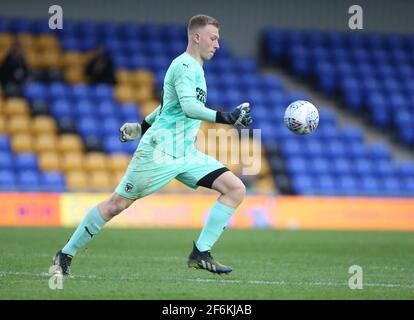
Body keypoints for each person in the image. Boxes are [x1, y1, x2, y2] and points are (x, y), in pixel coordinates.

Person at [53, 14, 252, 276]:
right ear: (197, 36)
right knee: (117, 204)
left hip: (185, 153)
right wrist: (226, 117)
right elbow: (190, 108)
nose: (217, 44)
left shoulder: (196, 69)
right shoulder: (184, 66)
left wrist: (140, 126)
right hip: (160, 151)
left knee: (235, 188)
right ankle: (65, 254)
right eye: (213, 38)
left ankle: (200, 253)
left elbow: (167, 107)